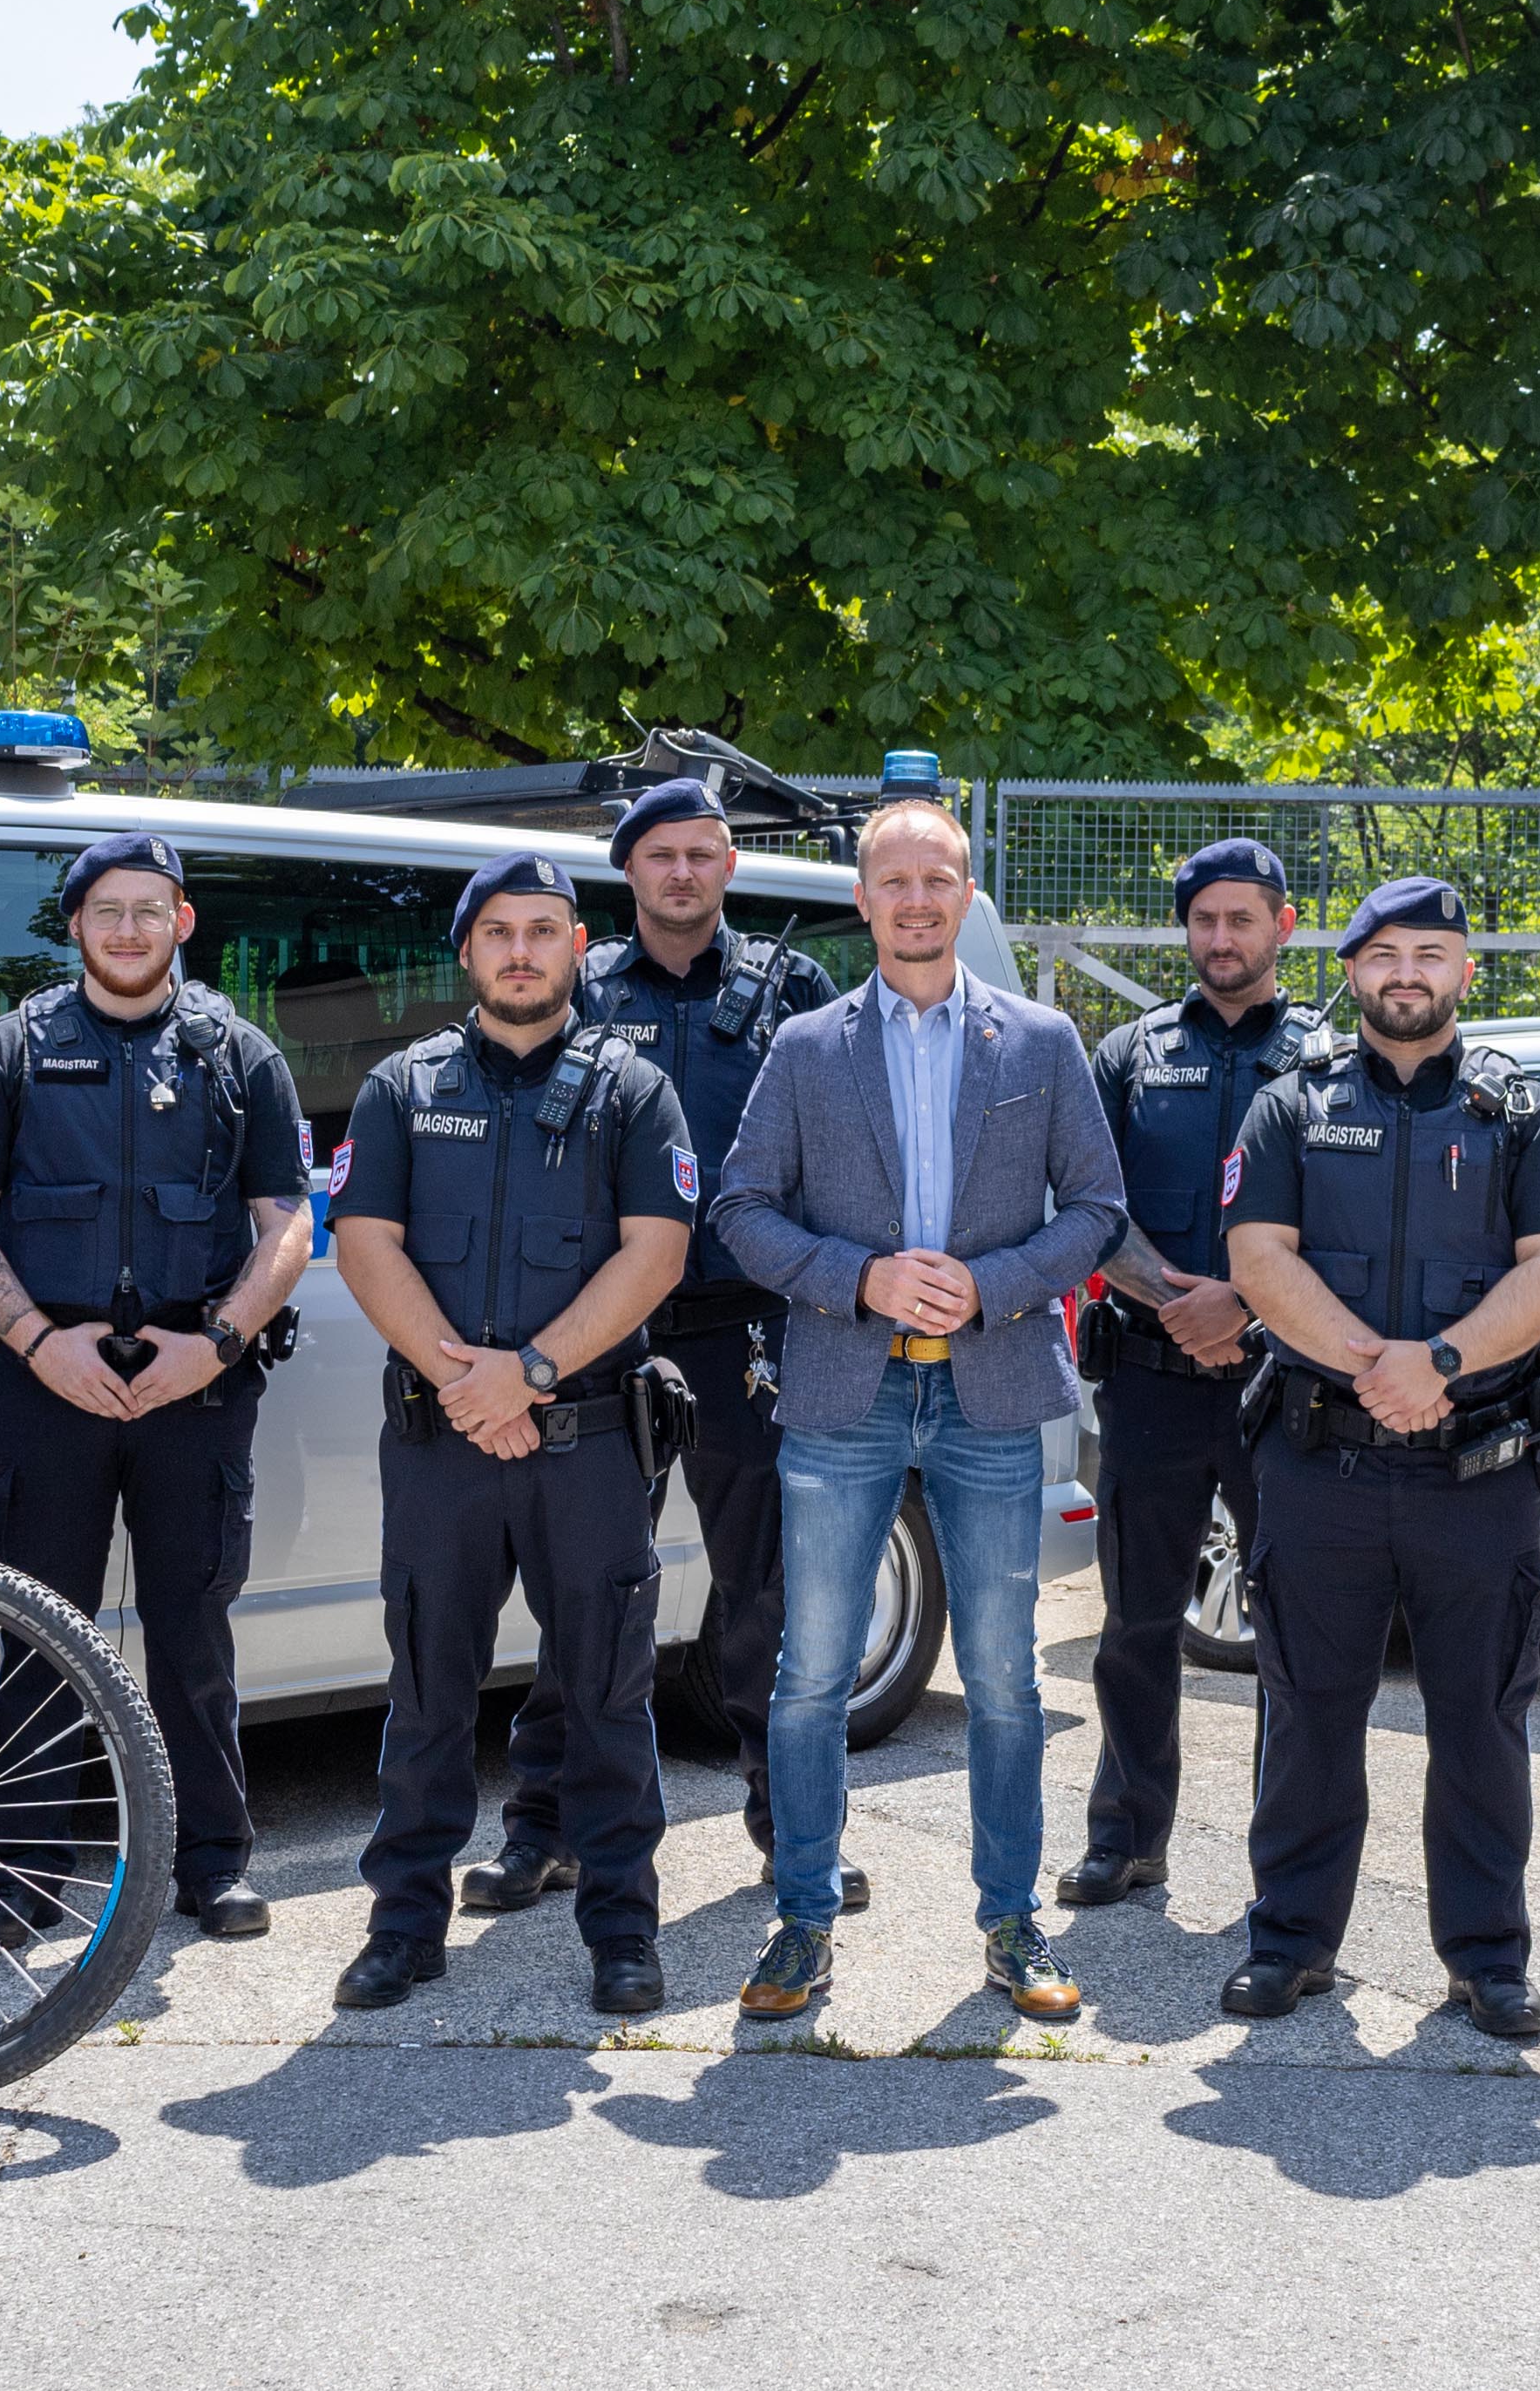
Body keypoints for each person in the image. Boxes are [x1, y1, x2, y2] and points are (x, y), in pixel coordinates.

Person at [710, 798, 1124, 2024]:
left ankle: (1009, 1920)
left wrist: (993, 1285)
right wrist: (860, 1275)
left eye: (936, 879)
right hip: (846, 1382)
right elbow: (741, 1208)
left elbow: (1094, 1208)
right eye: (892, 881)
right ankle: (800, 1916)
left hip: (991, 1387)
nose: (915, 901)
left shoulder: (1041, 1042)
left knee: (1002, 1676)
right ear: (862, 900)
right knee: (810, 1673)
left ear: (966, 891)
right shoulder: (806, 1048)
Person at [0, 832, 317, 1943]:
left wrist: (222, 1342)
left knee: (193, 1628)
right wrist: (43, 1343)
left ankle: (212, 1861)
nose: (130, 928)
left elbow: (286, 1223)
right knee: (40, 1626)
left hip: (194, 1384)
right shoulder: (5, 1050)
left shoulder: (241, 1057)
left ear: (183, 921)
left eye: (151, 908)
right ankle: (23, 1869)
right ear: (77, 924)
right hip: (49, 1384)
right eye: (108, 909)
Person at [1218, 878, 1540, 2030]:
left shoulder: (1522, 1116)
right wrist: (1369, 1366)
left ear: (1465, 972)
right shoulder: (1288, 1108)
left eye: (1430, 951)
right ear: (1352, 969)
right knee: (1306, 1709)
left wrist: (1431, 1363)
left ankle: (1485, 1958)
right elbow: (1258, 1257)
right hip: (1321, 1463)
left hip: (1472, 1470)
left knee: (1477, 1721)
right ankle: (1289, 1940)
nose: (1407, 972)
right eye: (1384, 952)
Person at [471, 778, 850, 1919]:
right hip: (602, 1336)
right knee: (588, 1596)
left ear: (727, 865)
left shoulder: (791, 990)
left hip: (747, 1334)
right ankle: (543, 1828)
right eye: (660, 856)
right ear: (626, 872)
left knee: (763, 1603)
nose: (682, 874)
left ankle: (793, 1837)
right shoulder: (575, 990)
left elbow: (840, 1153)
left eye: (702, 853)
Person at [328, 853, 698, 2018]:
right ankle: (402, 1928)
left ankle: (622, 1933)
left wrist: (530, 1374)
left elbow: (656, 1251)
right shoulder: (400, 1085)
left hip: (586, 1442)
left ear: (578, 946)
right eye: (500, 930)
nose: (523, 950)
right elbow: (366, 1244)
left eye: (544, 929)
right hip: (443, 1444)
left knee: (605, 1693)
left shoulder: (633, 1091)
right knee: (429, 1690)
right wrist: (465, 1384)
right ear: (468, 951)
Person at [1066, 833, 1324, 1908]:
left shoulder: (1325, 1055)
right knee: (1134, 1624)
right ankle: (1125, 1834)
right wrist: (1179, 1307)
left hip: (1282, 1387)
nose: (1221, 937)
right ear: (1185, 929)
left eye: (1242, 917)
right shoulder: (1129, 1052)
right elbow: (1082, 1202)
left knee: (1295, 1634)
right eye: (1204, 919)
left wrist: (1246, 1307)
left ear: (1282, 926)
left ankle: (1287, 1864)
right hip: (1151, 1380)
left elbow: (1338, 1220)